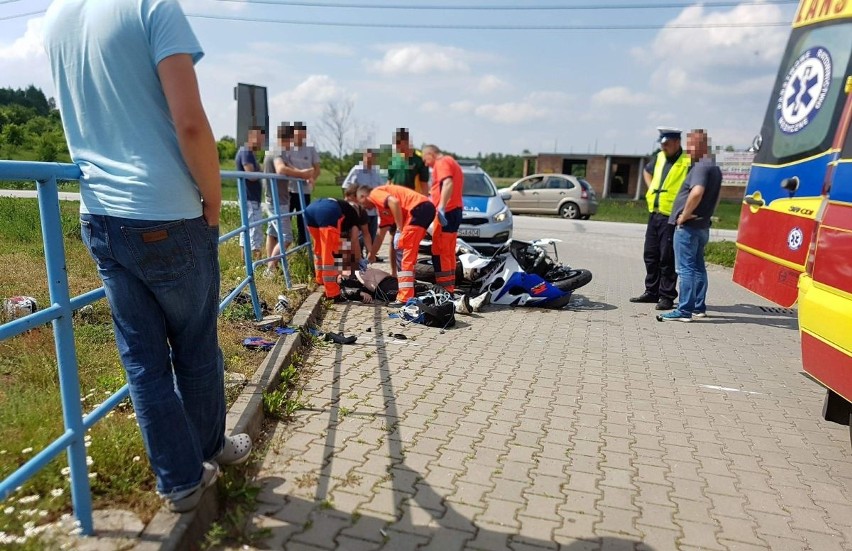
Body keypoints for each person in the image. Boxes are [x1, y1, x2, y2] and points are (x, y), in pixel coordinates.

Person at [43, 0, 251, 513]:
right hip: (169, 210)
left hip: (101, 215)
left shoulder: (55, 17)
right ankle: (210, 449)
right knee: (196, 347)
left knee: (143, 362)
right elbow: (191, 125)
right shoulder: (151, 5)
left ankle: (180, 481)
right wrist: (211, 199)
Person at [658, 129, 722, 322]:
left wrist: (683, 216)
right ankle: (698, 307)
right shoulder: (714, 167)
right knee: (698, 268)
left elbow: (696, 192)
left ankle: (684, 310)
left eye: (692, 145)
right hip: (702, 225)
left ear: (702, 145)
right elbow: (717, 197)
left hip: (689, 227)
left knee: (684, 269)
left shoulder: (701, 167)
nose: (688, 149)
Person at [630, 127, 692, 311]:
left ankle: (666, 296)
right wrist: (650, 188)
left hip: (672, 216)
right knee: (651, 254)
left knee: (667, 257)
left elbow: (695, 186)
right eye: (662, 144)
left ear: (676, 142)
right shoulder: (659, 157)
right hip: (655, 213)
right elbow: (646, 172)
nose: (663, 147)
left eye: (666, 144)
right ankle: (651, 291)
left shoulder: (687, 161)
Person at [357, 184, 436, 305]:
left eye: (361, 203)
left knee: (405, 255)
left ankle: (404, 297)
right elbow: (380, 233)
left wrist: (400, 229)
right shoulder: (383, 210)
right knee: (408, 254)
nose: (365, 208)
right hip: (423, 209)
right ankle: (409, 290)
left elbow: (394, 202)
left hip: (417, 210)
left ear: (363, 196)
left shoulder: (374, 193)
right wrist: (371, 255)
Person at [265, 124, 313, 277]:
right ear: (288, 138)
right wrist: (303, 174)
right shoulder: (278, 152)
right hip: (278, 200)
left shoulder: (276, 151)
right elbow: (281, 169)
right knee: (287, 238)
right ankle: (271, 268)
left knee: (272, 233)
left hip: (275, 198)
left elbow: (289, 167)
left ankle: (272, 265)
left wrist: (302, 174)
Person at [422, 144, 464, 293]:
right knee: (449, 251)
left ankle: (445, 289)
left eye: (425, 159)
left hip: (446, 212)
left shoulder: (442, 163)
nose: (426, 164)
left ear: (431, 154)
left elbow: (448, 183)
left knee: (440, 251)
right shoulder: (452, 161)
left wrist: (441, 207)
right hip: (455, 211)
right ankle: (450, 286)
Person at [303, 198, 363, 302]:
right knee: (329, 254)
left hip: (310, 210)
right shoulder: (354, 218)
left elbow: (344, 245)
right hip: (328, 214)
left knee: (319, 249)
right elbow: (354, 241)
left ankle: (320, 279)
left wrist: (344, 268)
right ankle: (332, 293)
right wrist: (357, 262)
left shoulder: (344, 209)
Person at [288, 122, 321, 246]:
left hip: (304, 190)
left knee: (303, 221)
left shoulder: (310, 148)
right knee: (286, 219)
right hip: (289, 189)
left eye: (303, 135)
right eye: (298, 135)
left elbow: (317, 168)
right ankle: (283, 246)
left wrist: (312, 179)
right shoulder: (288, 148)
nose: (300, 138)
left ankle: (302, 247)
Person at [342, 148, 383, 246]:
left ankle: (371, 253)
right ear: (364, 157)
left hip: (373, 208)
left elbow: (381, 187)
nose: (370, 160)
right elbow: (347, 187)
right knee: (360, 233)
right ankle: (359, 255)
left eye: (372, 158)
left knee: (372, 232)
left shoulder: (376, 171)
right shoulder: (357, 170)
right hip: (360, 208)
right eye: (368, 158)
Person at [236, 126, 265, 260]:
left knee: (248, 229)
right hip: (249, 197)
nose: (260, 142)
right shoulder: (246, 152)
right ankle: (254, 262)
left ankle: (246, 262)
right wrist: (263, 172)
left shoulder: (249, 152)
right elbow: (250, 175)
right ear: (251, 137)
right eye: (259, 139)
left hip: (250, 197)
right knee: (254, 229)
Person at [343, 183, 374, 275]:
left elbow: (366, 233)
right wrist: (359, 258)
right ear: (353, 196)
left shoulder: (361, 210)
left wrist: (371, 252)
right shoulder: (347, 209)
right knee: (345, 270)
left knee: (353, 270)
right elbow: (352, 239)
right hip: (340, 240)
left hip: (351, 240)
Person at [387, 128, 430, 194]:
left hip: (413, 198)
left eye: (400, 145)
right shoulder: (393, 159)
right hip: (396, 198)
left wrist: (424, 201)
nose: (398, 148)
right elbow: (389, 181)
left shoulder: (420, 159)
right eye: (396, 145)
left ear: (408, 142)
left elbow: (424, 184)